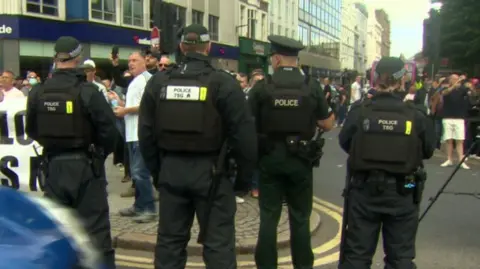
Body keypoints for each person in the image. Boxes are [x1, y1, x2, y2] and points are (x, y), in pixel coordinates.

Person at [138, 24, 257, 269]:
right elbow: (244, 137)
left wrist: (159, 173)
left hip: (171, 171)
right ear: (209, 47)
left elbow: (145, 135)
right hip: (213, 174)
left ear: (181, 47)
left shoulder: (159, 82)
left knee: (170, 244)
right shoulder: (223, 83)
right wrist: (242, 182)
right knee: (218, 247)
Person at [25, 36, 118, 268]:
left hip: (53, 167)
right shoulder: (88, 91)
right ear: (78, 58)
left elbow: (32, 129)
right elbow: (110, 132)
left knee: (58, 232)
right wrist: (98, 154)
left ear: (55, 58)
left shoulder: (37, 92)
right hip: (85, 167)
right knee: (95, 234)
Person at [338, 56, 435, 269]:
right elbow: (428, 150)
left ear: (374, 79)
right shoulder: (416, 114)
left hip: (364, 191)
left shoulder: (359, 110)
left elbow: (345, 143)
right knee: (400, 258)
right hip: (403, 193)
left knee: (356, 256)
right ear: (403, 80)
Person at [248, 35, 335, 269]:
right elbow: (327, 124)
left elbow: (248, 121)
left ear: (276, 59)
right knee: (300, 218)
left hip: (269, 159)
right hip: (301, 159)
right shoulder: (311, 86)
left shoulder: (262, 87)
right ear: (295, 60)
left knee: (269, 217)